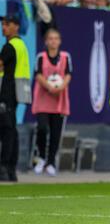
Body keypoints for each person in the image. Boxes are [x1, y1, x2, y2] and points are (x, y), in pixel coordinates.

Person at [32, 29, 72, 177]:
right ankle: (41, 157)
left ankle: (51, 162)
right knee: (42, 128)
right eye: (50, 38)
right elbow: (38, 75)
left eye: (56, 38)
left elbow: (68, 75)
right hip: (43, 98)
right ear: (46, 41)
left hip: (59, 100)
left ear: (60, 41)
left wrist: (60, 87)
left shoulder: (65, 57)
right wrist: (49, 86)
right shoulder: (41, 57)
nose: (53, 41)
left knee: (56, 133)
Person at [0, 14, 32, 182]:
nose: (4, 27)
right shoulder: (21, 45)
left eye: (7, 24)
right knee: (11, 130)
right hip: (18, 92)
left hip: (7, 93)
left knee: (7, 131)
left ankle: (4, 168)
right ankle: (11, 170)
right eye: (3, 24)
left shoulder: (10, 47)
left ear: (16, 26)